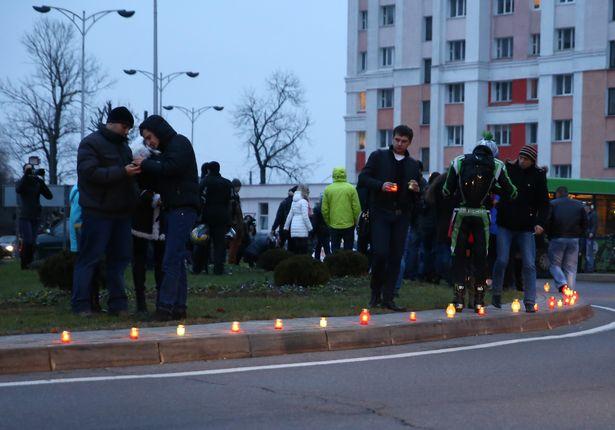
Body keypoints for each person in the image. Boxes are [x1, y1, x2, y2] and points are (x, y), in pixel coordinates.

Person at [72, 106, 139, 316]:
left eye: (129, 128)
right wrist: (122, 172)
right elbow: (89, 173)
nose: (126, 131)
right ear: (112, 122)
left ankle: (118, 304)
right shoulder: (91, 143)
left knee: (118, 261)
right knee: (89, 258)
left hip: (121, 212)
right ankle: (82, 304)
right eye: (124, 126)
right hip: (98, 211)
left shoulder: (123, 147)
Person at [134, 115, 199, 321]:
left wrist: (145, 164)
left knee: (171, 259)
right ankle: (178, 307)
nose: (149, 142)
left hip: (182, 209)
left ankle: (165, 307)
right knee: (176, 260)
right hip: (175, 208)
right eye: (145, 140)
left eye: (149, 137)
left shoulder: (179, 143)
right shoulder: (168, 151)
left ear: (158, 131)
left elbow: (170, 169)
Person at [442, 135, 518, 313]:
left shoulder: (459, 160)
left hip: (461, 214)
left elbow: (446, 190)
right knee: (481, 257)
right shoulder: (497, 165)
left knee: (458, 255)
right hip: (482, 215)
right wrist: (494, 188)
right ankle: (478, 299)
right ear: (493, 152)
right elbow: (512, 192)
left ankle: (458, 298)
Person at [358, 124, 422, 311]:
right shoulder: (379, 156)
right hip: (381, 212)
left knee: (395, 257)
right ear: (392, 139)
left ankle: (389, 297)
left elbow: (419, 193)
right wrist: (380, 185)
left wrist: (417, 189)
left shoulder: (412, 165)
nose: (399, 143)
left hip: (401, 215)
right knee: (380, 254)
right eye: (397, 140)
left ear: (409, 142)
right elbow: (363, 179)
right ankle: (375, 294)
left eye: (404, 141)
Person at [491, 144, 549, 311]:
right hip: (505, 223)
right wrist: (497, 199)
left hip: (526, 226)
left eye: (526, 159)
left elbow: (544, 203)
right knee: (502, 259)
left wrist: (540, 222)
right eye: (521, 158)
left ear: (532, 161)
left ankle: (530, 301)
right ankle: (496, 292)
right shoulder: (508, 168)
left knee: (529, 264)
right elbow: (496, 186)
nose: (522, 161)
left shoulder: (538, 176)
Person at [131, 141, 165, 313]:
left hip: (158, 217)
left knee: (160, 261)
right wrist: (149, 197)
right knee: (140, 260)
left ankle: (161, 300)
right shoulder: (139, 158)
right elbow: (133, 186)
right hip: (142, 216)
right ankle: (141, 301)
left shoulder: (164, 158)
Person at [547, 186, 588, 293]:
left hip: (557, 237)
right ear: (567, 193)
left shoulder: (553, 204)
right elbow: (585, 222)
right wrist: (580, 234)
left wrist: (548, 235)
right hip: (574, 238)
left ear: (558, 193)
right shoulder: (578, 205)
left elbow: (548, 221)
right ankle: (570, 291)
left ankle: (562, 283)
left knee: (554, 264)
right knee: (571, 267)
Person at [15, 163, 53, 269]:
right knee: (27, 240)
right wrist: (26, 176)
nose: (30, 171)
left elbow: (49, 196)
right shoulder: (22, 182)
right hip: (25, 216)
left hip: (36, 215)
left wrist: (42, 181)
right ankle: (24, 264)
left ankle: (30, 263)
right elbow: (18, 189)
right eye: (28, 170)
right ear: (24, 171)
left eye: (31, 169)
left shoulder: (37, 182)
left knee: (33, 240)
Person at [200, 161, 232, 275]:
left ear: (209, 170)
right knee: (219, 244)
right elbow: (230, 200)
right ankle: (218, 268)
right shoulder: (227, 183)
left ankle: (201, 267)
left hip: (207, 215)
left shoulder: (205, 182)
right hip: (222, 216)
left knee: (203, 242)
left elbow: (199, 196)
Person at [321, 167, 361, 252]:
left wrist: (329, 222)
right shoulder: (351, 188)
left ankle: (335, 264)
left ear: (333, 175)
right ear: (345, 175)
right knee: (348, 250)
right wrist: (355, 222)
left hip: (334, 225)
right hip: (349, 225)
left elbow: (324, 209)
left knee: (335, 250)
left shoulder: (328, 189)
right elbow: (356, 208)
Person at [283, 184, 313, 254]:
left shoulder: (294, 202)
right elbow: (305, 216)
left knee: (296, 252)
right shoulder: (304, 202)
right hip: (302, 230)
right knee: (303, 252)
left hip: (294, 229)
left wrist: (286, 227)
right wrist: (310, 228)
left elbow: (289, 216)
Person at [227, 178, 244, 265]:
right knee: (234, 243)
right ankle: (231, 260)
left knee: (235, 243)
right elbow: (234, 211)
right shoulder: (233, 197)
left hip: (236, 222)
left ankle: (232, 260)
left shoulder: (234, 196)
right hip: (235, 223)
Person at [585, 204, 597, 273]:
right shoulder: (590, 214)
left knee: (589, 253)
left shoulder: (592, 214)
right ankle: (588, 268)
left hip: (589, 236)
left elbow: (594, 225)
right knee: (589, 253)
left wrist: (591, 233)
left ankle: (589, 269)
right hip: (587, 235)